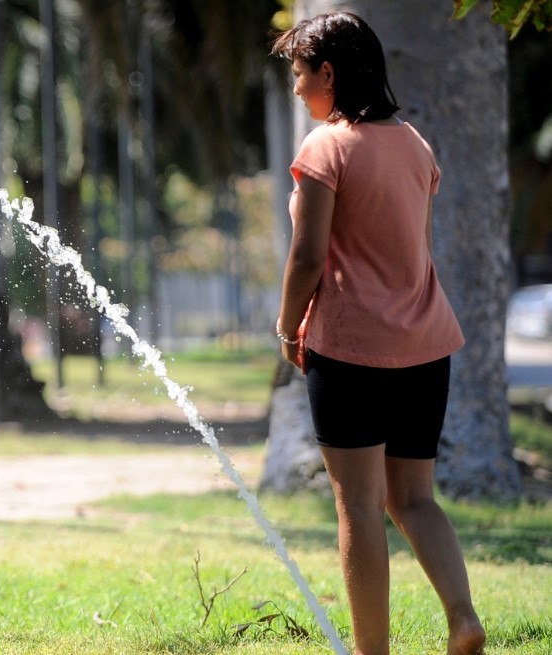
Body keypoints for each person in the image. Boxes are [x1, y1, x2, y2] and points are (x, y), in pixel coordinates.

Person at [271, 12, 485, 655]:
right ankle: (463, 617)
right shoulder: (415, 144)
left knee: (360, 508)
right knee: (415, 499)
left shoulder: (326, 148)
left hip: (351, 348)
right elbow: (414, 252)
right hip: (427, 345)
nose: (297, 89)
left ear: (329, 72)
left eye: (301, 75)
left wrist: (287, 329)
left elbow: (307, 256)